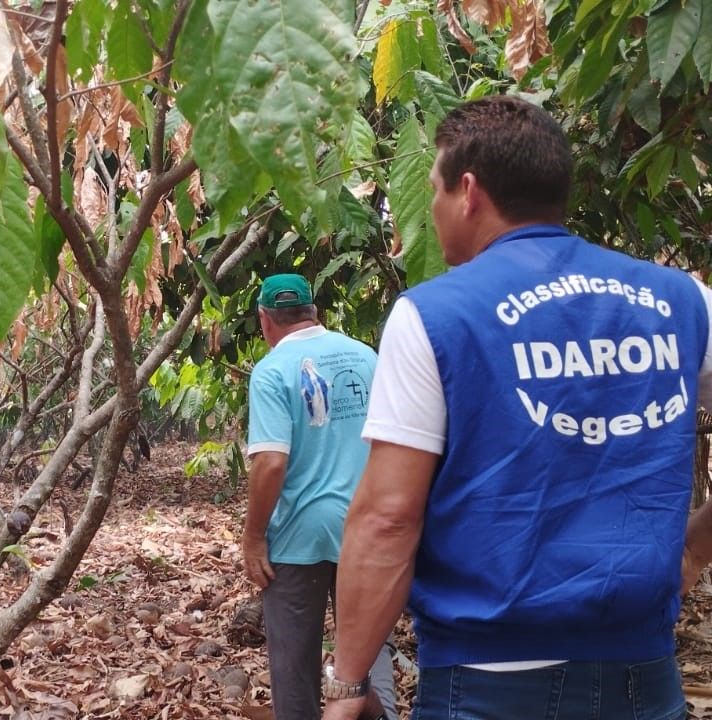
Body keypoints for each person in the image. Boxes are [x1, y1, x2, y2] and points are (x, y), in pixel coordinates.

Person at [322, 95, 712, 720]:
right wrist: (693, 548)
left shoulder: (435, 314)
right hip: (645, 676)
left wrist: (347, 684)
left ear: (469, 191)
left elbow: (388, 518)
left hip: (487, 683)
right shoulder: (680, 298)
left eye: (435, 191)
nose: (433, 208)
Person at [242, 273, 396, 720]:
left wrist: (253, 537)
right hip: (366, 528)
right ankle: (371, 703)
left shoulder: (272, 371)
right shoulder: (366, 357)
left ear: (265, 320)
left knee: (294, 665)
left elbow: (270, 462)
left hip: (299, 538)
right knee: (369, 646)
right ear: (314, 312)